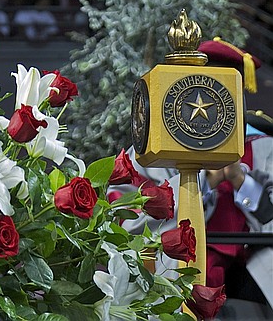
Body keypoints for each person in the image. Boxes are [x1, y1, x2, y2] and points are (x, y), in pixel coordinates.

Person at [113, 38, 273, 315]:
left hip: (251, 277)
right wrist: (204, 182)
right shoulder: (153, 148)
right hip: (172, 270)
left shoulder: (262, 148)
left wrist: (240, 181)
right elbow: (126, 217)